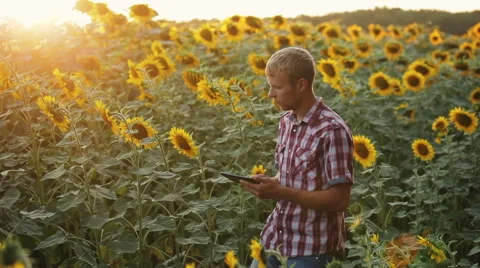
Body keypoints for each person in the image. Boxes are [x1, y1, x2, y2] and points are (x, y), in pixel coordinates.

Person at [241, 46, 354, 268]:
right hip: (275, 239)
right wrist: (271, 183)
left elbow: (340, 199)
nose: (270, 94)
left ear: (301, 85)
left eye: (277, 87)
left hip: (311, 251)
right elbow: (293, 177)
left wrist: (281, 192)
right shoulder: (286, 122)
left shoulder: (331, 130)